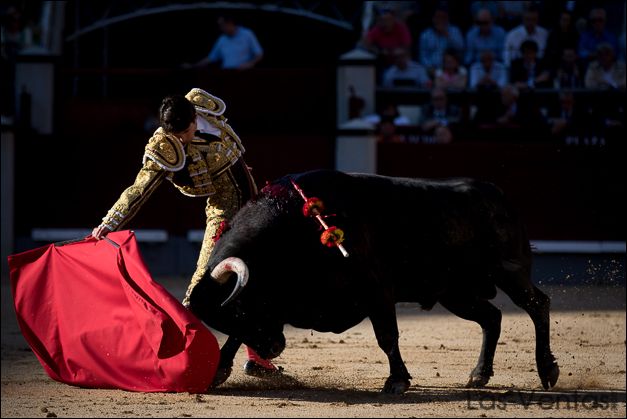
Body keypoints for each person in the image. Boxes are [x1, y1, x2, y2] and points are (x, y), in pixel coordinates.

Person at [91, 88, 281, 377]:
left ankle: (256, 357)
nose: (182, 139)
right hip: (224, 214)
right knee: (203, 280)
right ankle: (173, 354)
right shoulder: (164, 146)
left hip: (254, 207)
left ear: (195, 117)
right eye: (176, 135)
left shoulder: (205, 106)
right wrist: (110, 222)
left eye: (186, 131)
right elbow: (139, 189)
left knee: (260, 279)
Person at [187, 15, 263, 70]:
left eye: (222, 25)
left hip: (244, 74)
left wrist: (250, 64)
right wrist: (193, 66)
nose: (221, 28)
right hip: (226, 74)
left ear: (229, 23)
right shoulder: (222, 39)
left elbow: (259, 53)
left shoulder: (247, 34)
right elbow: (211, 58)